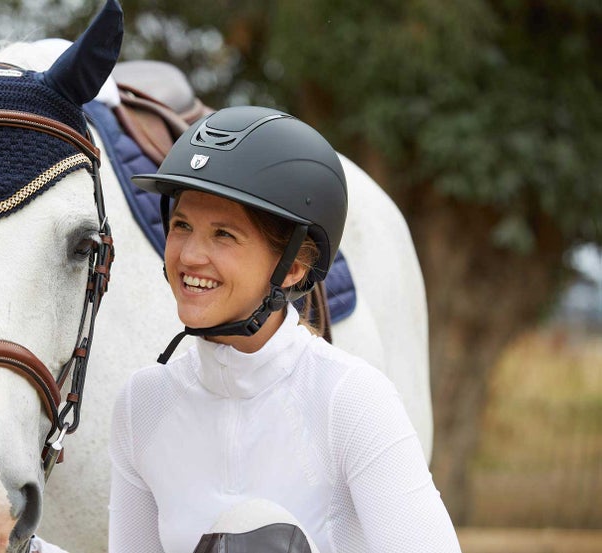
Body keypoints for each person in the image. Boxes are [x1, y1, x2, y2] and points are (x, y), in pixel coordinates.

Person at [108, 105, 462, 553]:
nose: (189, 255)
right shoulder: (142, 404)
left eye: (224, 235)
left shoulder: (351, 400)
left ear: (293, 268)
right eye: (181, 225)